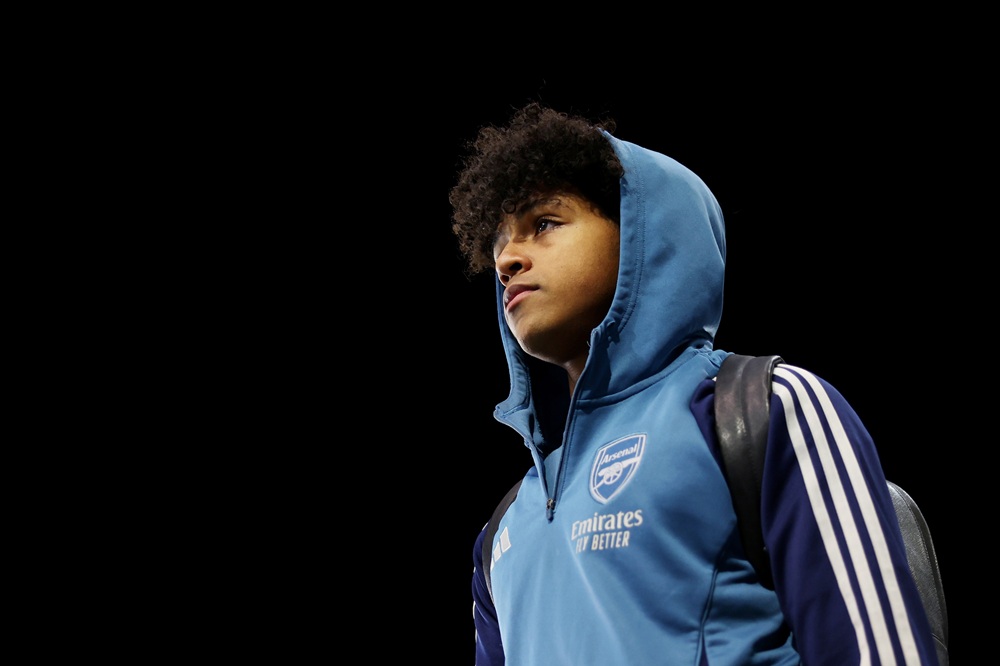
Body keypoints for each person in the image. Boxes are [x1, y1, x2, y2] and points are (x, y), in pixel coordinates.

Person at [448, 102, 941, 665]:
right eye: (499, 246)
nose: (507, 259)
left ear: (639, 233)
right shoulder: (505, 525)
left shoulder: (763, 409)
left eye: (544, 224)